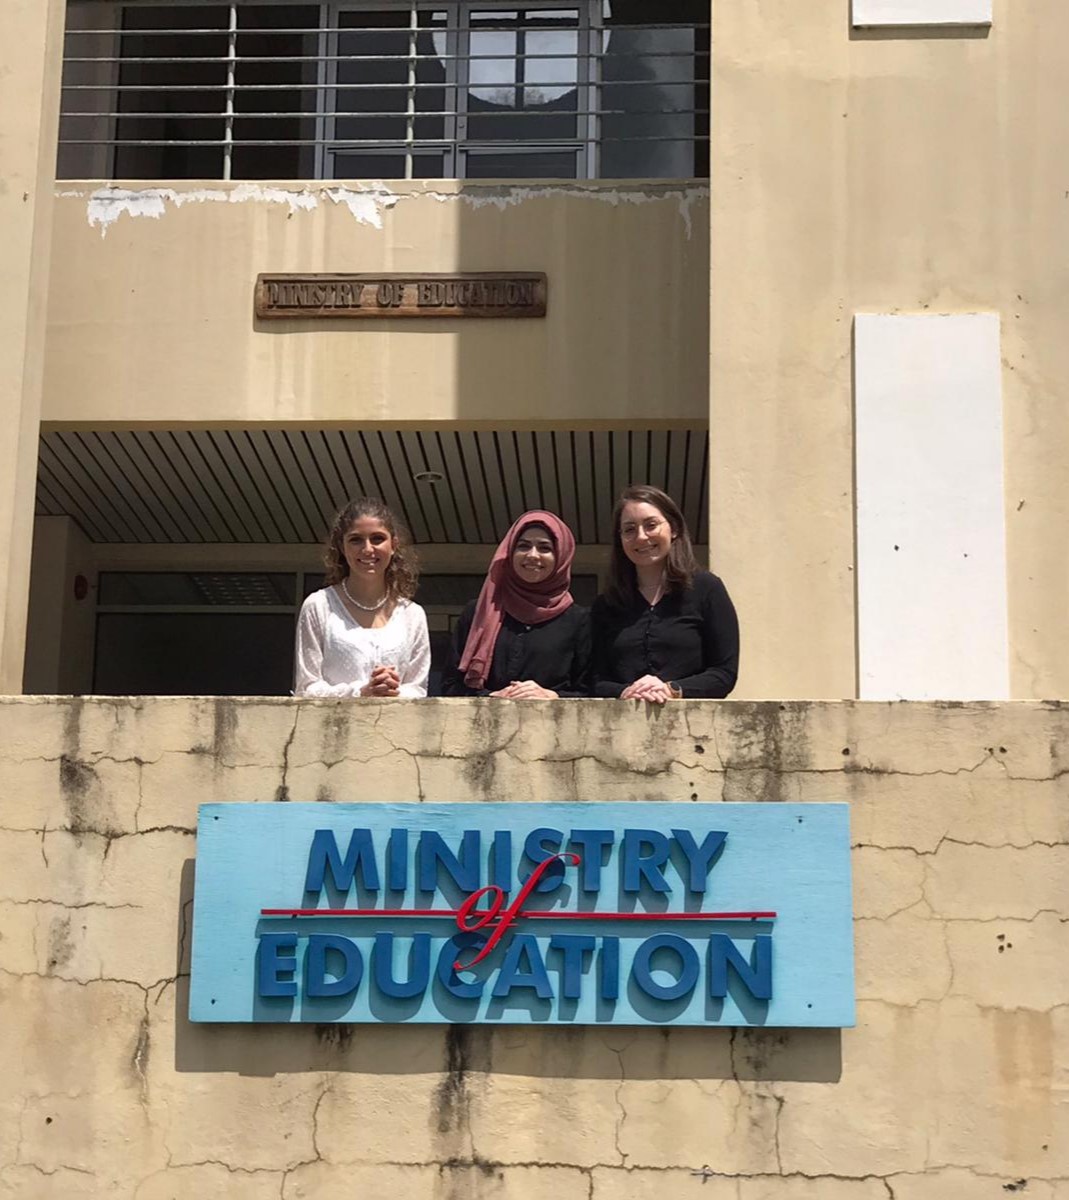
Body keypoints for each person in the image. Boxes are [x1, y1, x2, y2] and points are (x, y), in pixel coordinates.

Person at [591, 485, 738, 702]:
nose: (641, 537)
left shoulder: (707, 589)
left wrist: (672, 689)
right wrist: (625, 691)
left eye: (651, 525)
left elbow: (724, 673)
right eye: (629, 529)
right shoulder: (606, 604)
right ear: (620, 539)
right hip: (622, 729)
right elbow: (594, 679)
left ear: (674, 529)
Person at [441, 510, 590, 698]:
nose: (533, 555)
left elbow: (588, 689)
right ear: (509, 552)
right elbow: (450, 685)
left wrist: (551, 696)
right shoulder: (480, 611)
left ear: (561, 556)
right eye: (523, 546)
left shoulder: (579, 621)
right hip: (485, 724)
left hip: (554, 725)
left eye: (545, 548)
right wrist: (492, 698)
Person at [294, 497, 430, 698]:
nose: (367, 549)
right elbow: (307, 688)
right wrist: (360, 692)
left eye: (377, 539)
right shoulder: (319, 606)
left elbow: (418, 689)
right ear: (342, 547)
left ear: (393, 545)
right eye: (356, 539)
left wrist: (392, 690)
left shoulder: (412, 614)